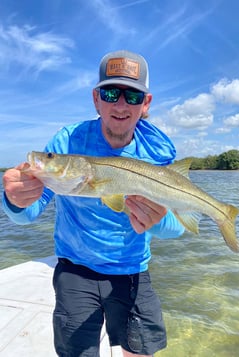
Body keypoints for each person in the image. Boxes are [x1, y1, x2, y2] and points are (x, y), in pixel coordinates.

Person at [2, 50, 185, 357]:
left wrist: (158, 220)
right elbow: (28, 214)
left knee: (141, 351)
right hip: (76, 268)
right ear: (96, 98)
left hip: (131, 268)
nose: (121, 104)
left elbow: (176, 229)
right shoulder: (67, 143)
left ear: (146, 104)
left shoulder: (155, 154)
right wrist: (15, 201)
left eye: (133, 96)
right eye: (111, 93)